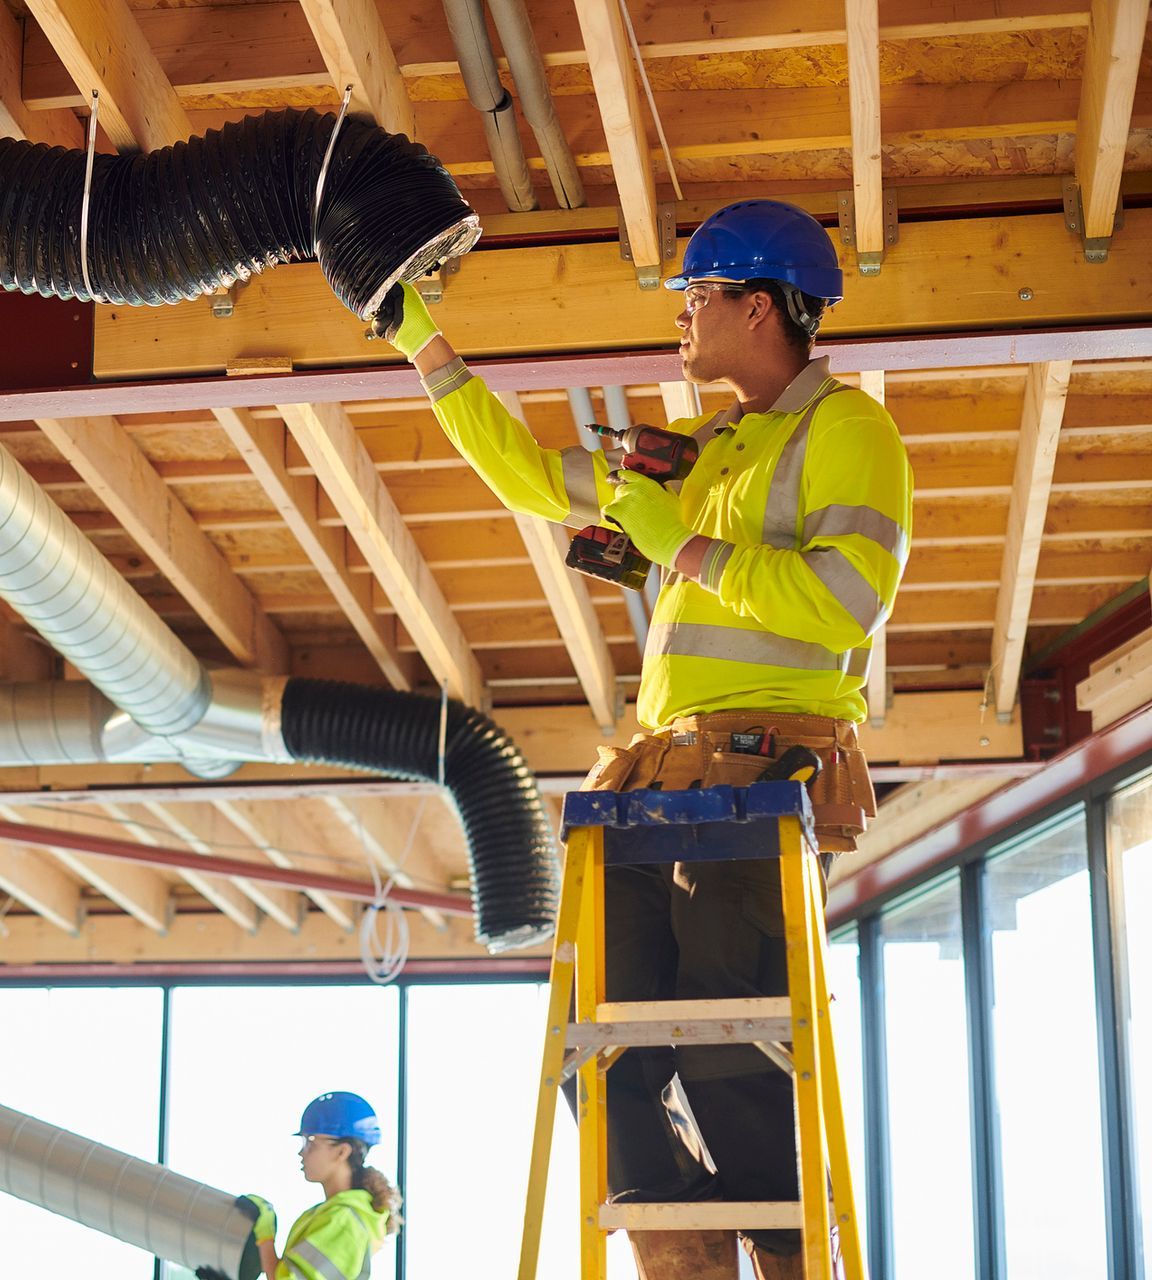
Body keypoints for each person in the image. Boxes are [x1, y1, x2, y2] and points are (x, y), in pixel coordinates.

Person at [363, 199, 910, 1280]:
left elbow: (848, 602)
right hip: (665, 780)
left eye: (696, 296)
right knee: (596, 1041)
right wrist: (419, 336)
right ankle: (690, 1261)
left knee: (724, 1039)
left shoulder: (850, 432)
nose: (682, 318)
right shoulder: (706, 448)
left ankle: (794, 1259)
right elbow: (530, 477)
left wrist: (694, 551)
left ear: (759, 308)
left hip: (760, 776)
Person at [244, 1092, 402, 1280]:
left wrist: (266, 1237)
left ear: (342, 1151)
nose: (301, 1152)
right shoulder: (335, 1215)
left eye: (310, 1142)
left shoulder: (343, 1221)